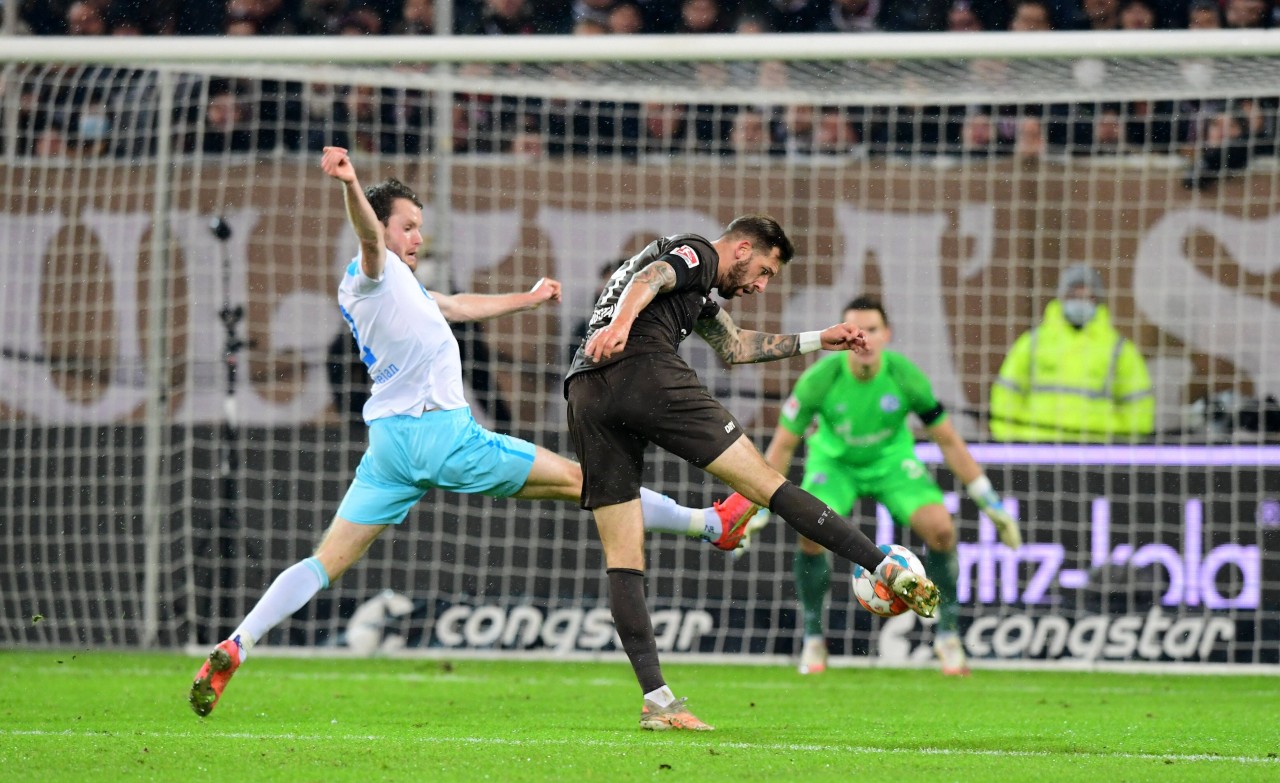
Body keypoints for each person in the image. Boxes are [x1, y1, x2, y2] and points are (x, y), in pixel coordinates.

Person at [188, 147, 757, 717]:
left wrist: (526, 300)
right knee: (589, 481)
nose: (416, 238)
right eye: (407, 227)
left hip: (389, 449)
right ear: (383, 227)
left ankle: (237, 644)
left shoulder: (400, 288)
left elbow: (455, 306)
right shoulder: (373, 269)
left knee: (324, 563)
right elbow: (367, 235)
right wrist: (351, 184)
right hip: (443, 436)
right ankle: (710, 523)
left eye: (419, 229)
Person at [564, 216, 940, 732]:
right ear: (742, 248)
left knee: (623, 556)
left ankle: (658, 701)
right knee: (768, 485)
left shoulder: (696, 293)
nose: (760, 285)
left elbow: (736, 348)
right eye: (763, 270)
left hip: (585, 390)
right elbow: (653, 277)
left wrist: (819, 339)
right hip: (644, 371)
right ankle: (883, 566)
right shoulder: (695, 252)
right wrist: (624, 324)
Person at [730, 297, 1022, 677]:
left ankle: (947, 636)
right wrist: (757, 505)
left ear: (887, 335)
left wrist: (990, 501)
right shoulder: (820, 378)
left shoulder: (906, 376)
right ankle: (814, 637)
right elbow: (784, 444)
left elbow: (949, 440)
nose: (863, 339)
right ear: (843, 338)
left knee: (942, 530)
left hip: (891, 463)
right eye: (854, 331)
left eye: (871, 330)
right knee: (809, 534)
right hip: (834, 464)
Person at [990, 264, 1154, 442]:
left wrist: (1116, 443)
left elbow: (1139, 407)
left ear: (1098, 301)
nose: (1080, 301)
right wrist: (1014, 439)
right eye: (1073, 295)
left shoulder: (1119, 349)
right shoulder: (1033, 343)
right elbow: (1005, 396)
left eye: (1088, 296)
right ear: (1062, 298)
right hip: (1037, 449)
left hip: (1096, 453)